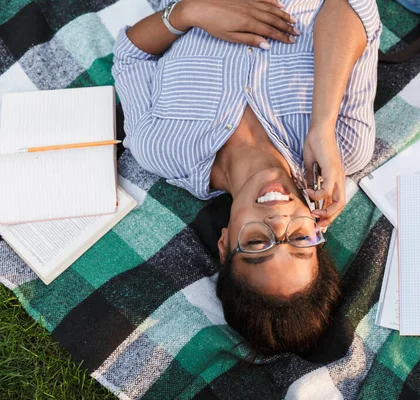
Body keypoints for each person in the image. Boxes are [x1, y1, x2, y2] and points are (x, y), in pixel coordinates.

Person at [113, 0, 380, 355]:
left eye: (257, 244)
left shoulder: (160, 148)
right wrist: (321, 124)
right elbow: (355, 6)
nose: (278, 219)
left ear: (225, 246)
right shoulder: (343, 144)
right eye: (299, 239)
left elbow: (131, 55)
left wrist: (190, 13)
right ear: (317, 230)